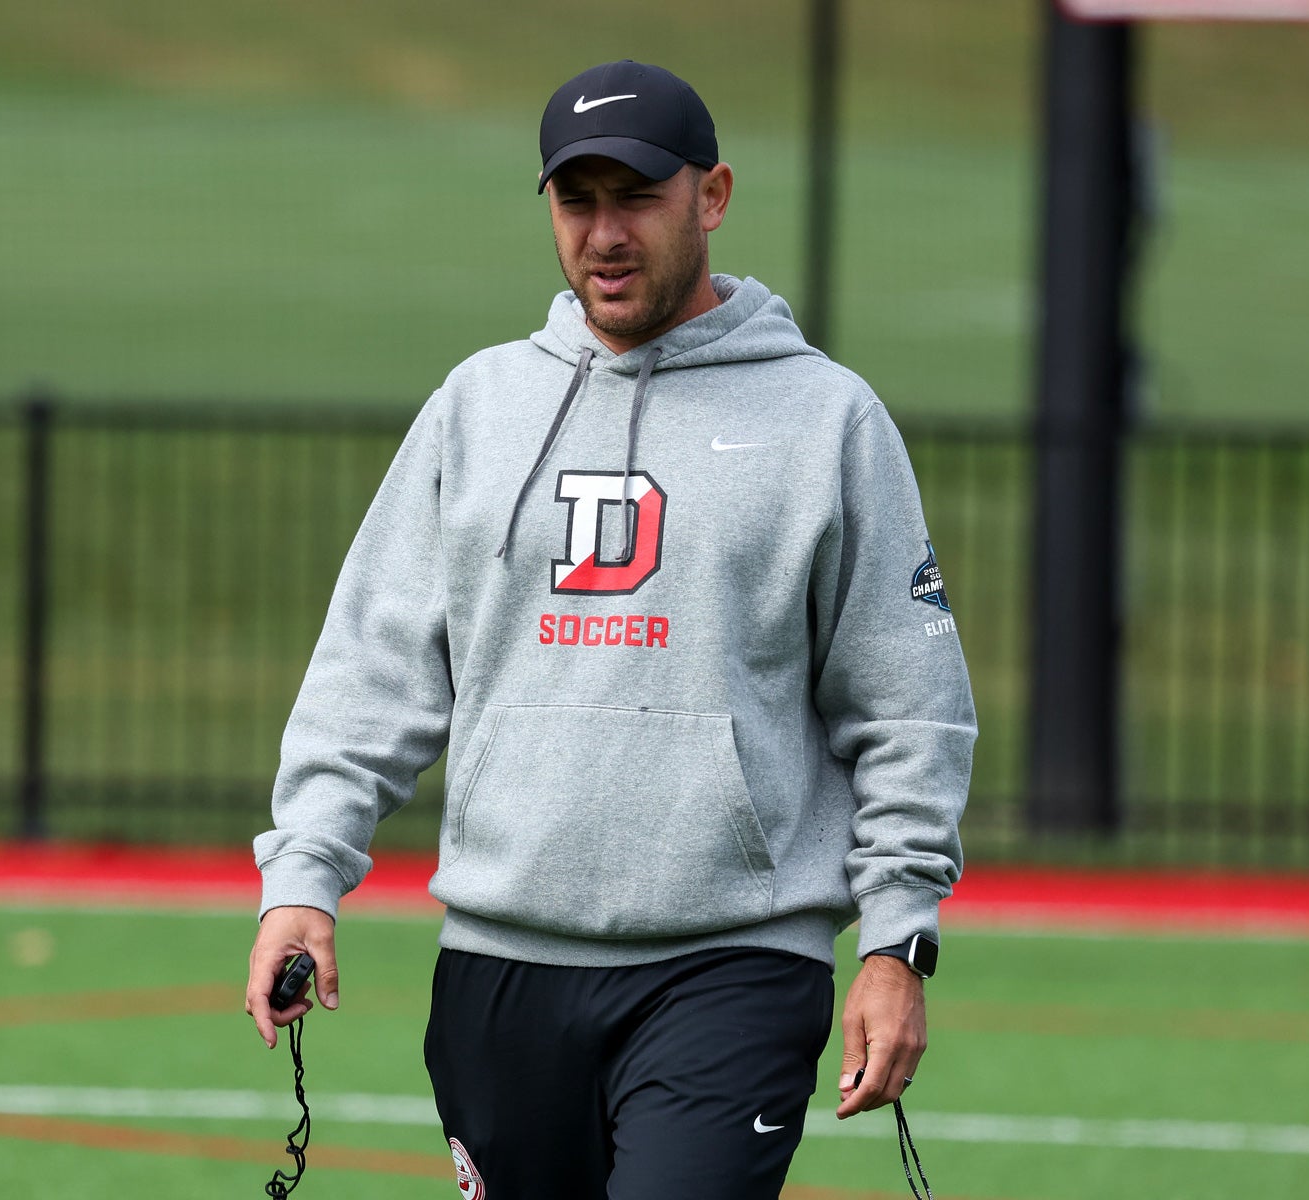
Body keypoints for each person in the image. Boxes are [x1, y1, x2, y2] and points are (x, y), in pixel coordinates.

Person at [246, 59, 975, 1199]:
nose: (603, 233)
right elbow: (372, 671)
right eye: (575, 201)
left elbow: (906, 703)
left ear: (712, 195)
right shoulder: (477, 408)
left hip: (731, 961)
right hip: (499, 962)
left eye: (635, 196)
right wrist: (303, 875)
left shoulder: (824, 419)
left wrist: (895, 939)